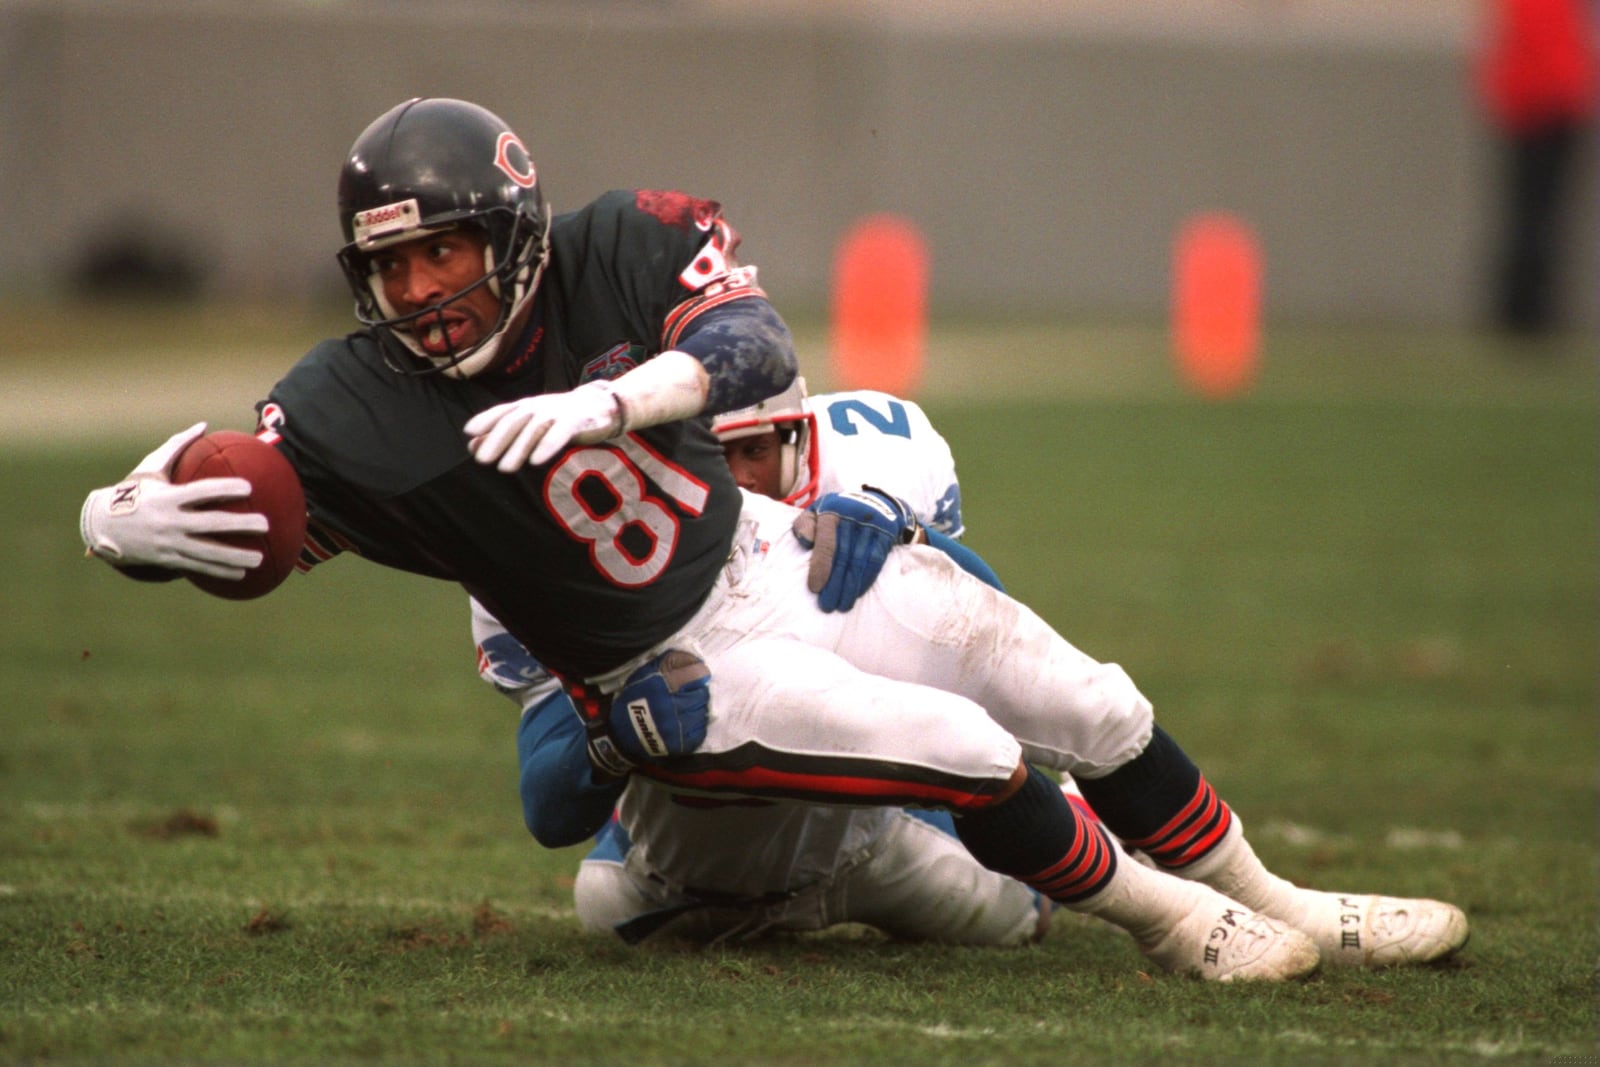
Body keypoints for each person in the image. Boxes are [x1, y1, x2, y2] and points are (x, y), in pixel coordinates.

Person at [78, 97, 1468, 982]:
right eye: (390, 265)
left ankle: (1284, 891)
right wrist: (125, 517)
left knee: (1081, 692)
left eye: (441, 251)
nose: (420, 290)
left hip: (755, 550)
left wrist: (617, 396)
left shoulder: (620, 241)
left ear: (510, 233)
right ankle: (1177, 925)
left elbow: (749, 346)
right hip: (664, 675)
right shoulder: (350, 401)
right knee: (970, 752)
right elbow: (259, 508)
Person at [476, 375, 1086, 945]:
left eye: (755, 451)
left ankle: (1088, 808)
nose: (738, 485)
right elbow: (550, 810)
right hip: (666, 880)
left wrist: (916, 541)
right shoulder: (594, 548)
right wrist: (614, 742)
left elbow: (990, 641)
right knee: (603, 902)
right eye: (710, 456)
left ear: (798, 441)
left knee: (1024, 901)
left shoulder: (864, 478)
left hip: (874, 849)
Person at [1475, 0, 1596, 334]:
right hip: (1544, 104)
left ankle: (1526, 307)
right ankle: (1527, 311)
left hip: (1532, 102)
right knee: (1537, 214)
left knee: (1533, 212)